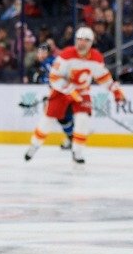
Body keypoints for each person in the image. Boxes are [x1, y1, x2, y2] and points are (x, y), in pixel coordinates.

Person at [24, 27, 125, 164]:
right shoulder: (66, 55)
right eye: (79, 39)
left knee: (83, 120)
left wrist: (115, 90)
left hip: (82, 92)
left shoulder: (96, 57)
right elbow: (54, 77)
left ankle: (77, 152)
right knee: (48, 120)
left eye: (86, 40)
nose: (81, 43)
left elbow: (103, 77)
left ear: (91, 43)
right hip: (61, 91)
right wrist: (69, 90)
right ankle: (34, 146)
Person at [28, 43, 75, 150]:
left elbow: (54, 79)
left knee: (63, 118)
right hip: (63, 92)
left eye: (43, 52)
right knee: (63, 118)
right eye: (39, 52)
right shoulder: (48, 62)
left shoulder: (49, 62)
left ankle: (73, 139)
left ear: (47, 53)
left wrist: (41, 79)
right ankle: (71, 138)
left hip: (64, 93)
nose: (40, 54)